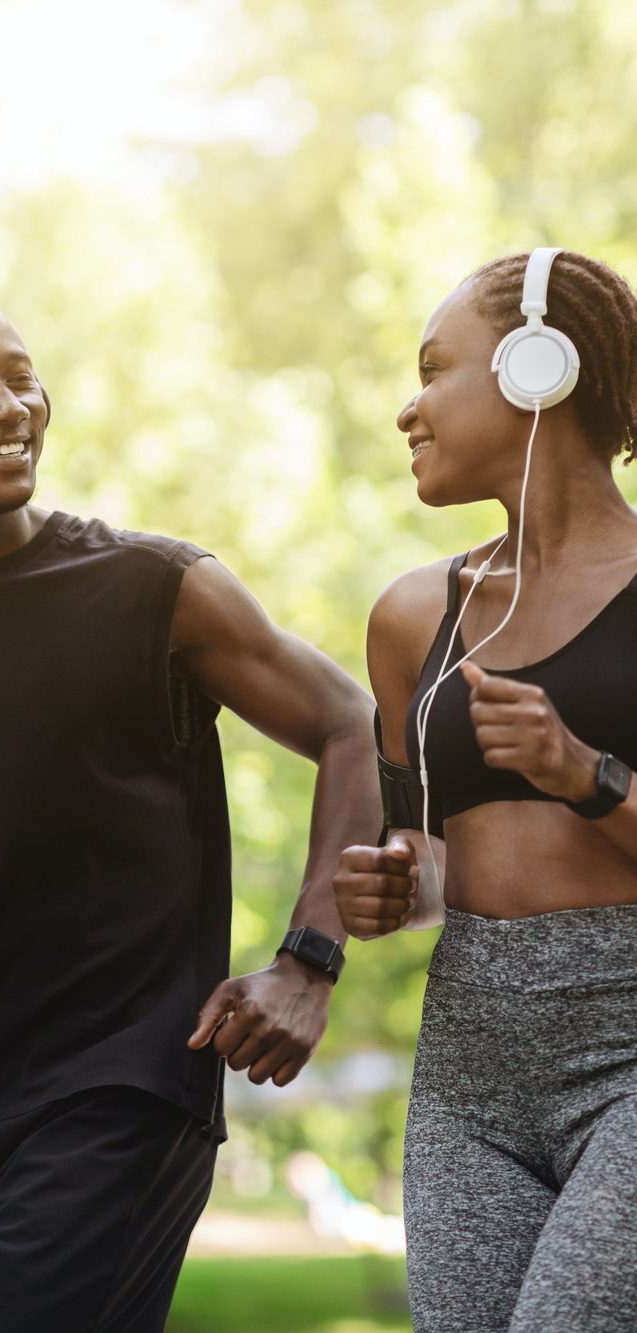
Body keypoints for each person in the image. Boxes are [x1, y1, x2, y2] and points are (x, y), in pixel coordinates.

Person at [0, 277, 378, 1332]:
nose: (9, 407)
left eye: (22, 378)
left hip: (115, 1099)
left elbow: (351, 724)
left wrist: (308, 959)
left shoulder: (155, 590)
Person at [333, 247, 637, 1333]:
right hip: (471, 1063)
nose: (407, 410)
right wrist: (390, 888)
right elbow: (427, 862)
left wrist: (584, 776)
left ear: (535, 367)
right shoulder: (412, 617)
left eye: (432, 368)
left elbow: (584, 791)